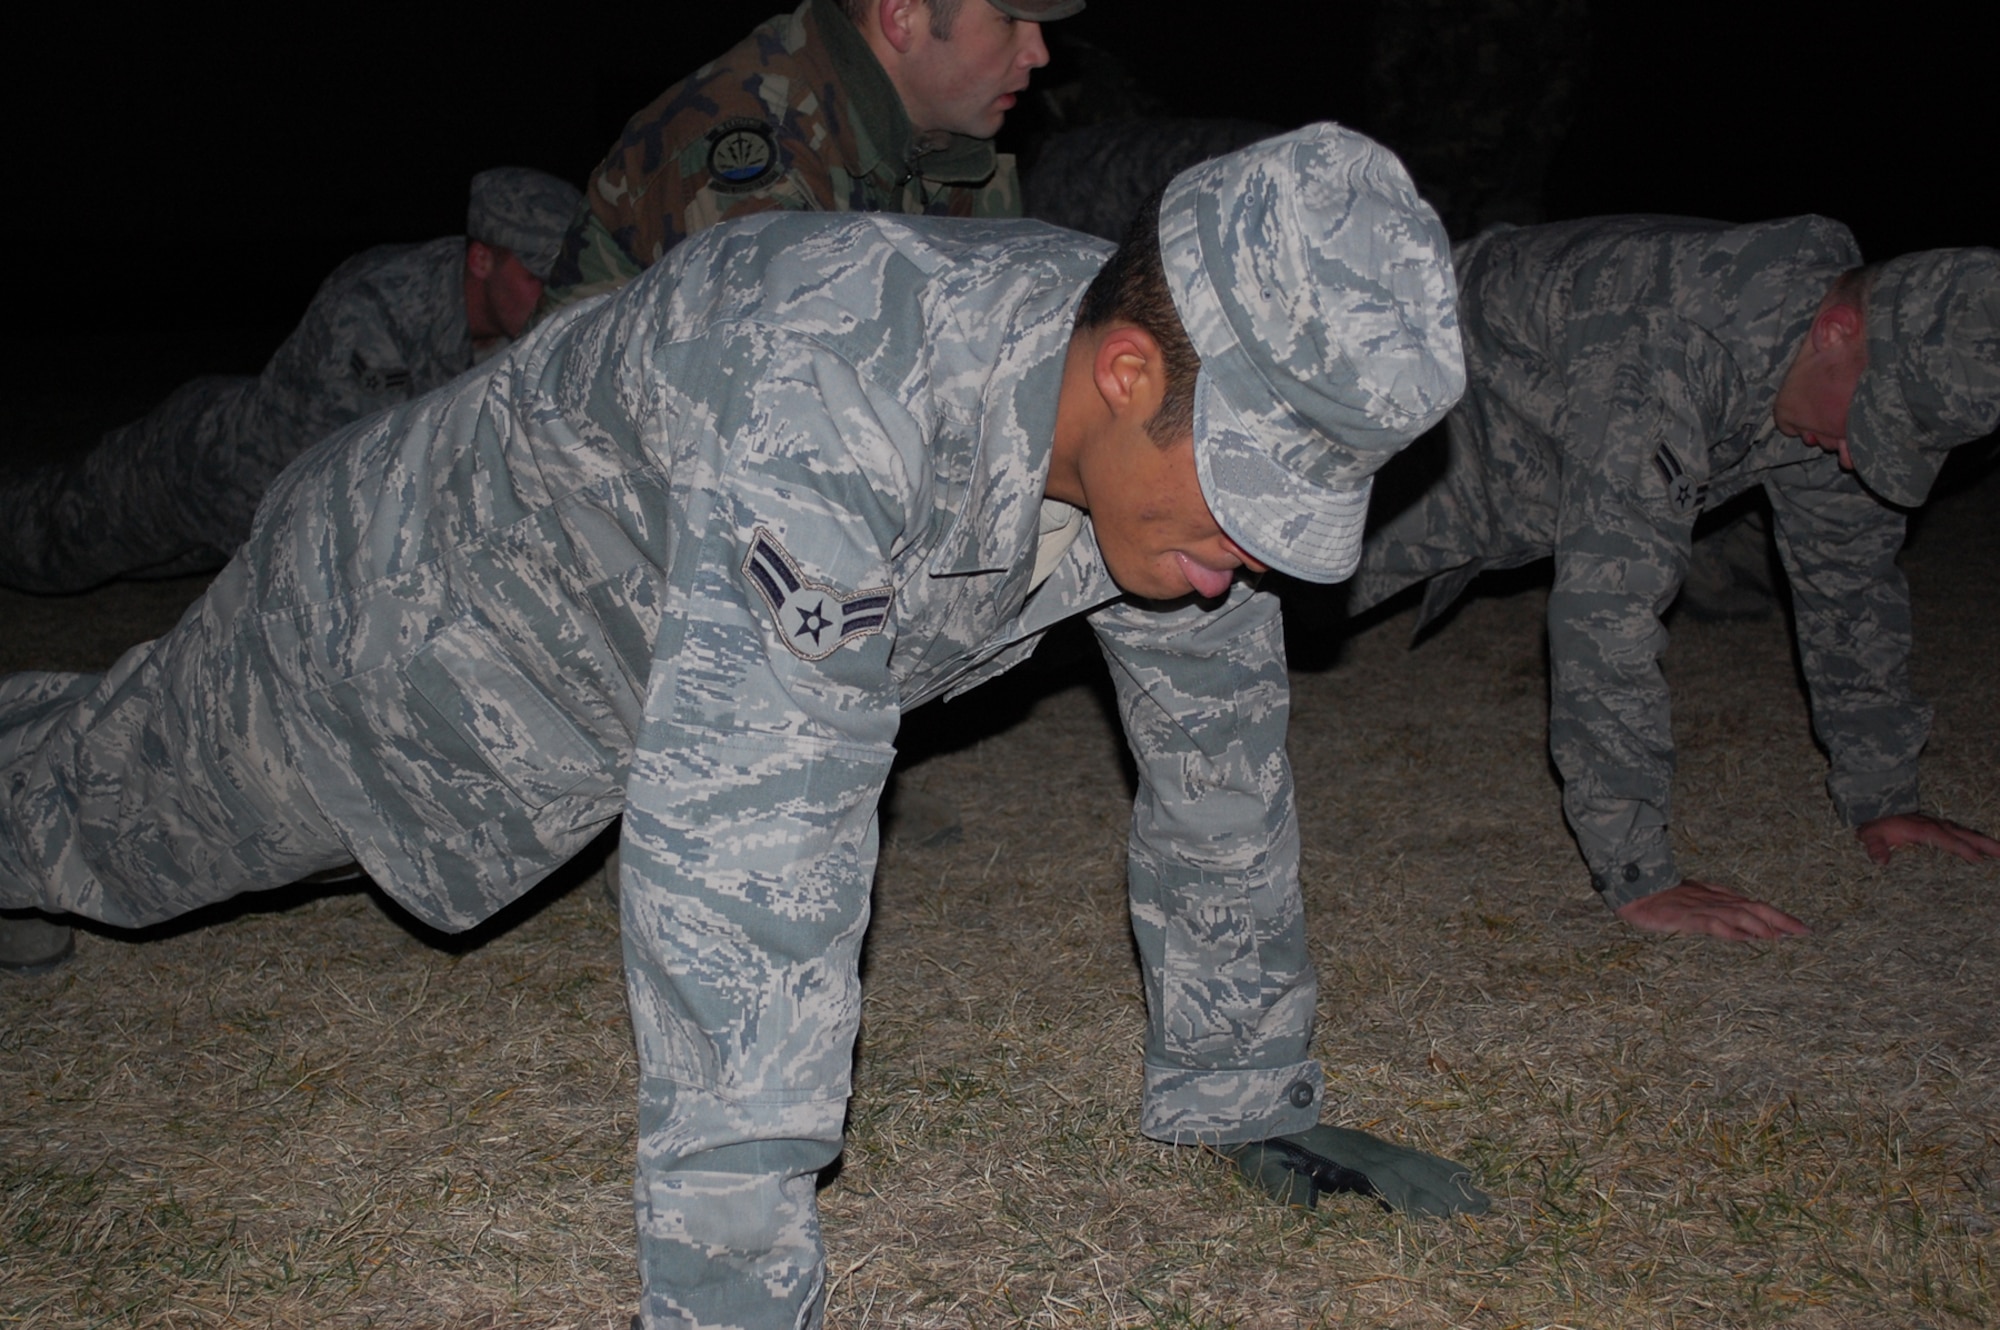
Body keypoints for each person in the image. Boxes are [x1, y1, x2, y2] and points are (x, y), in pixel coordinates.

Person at [0, 126, 1488, 1326]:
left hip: (600, 685)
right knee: (103, 822)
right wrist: (732, 1295)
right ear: (1126, 374)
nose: (1279, 556)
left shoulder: (1169, 442)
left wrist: (1246, 1095)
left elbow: (1221, 771)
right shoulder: (830, 390)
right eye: (1259, 500)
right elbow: (757, 851)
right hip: (393, 636)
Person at [1348, 215, 2000, 941]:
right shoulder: (1672, 344)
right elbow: (1609, 608)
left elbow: (1851, 581)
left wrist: (1884, 792)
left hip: (1528, 468)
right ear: (1837, 329)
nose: (1856, 458)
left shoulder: (1827, 380)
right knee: (1240, 597)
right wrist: (1639, 874)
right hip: (1408, 408)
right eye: (1872, 423)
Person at [0, 167, 582, 597]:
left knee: (136, 570)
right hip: (202, 472)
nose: (550, 298)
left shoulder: (528, 328)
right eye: (536, 277)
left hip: (254, 525)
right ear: (481, 260)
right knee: (38, 545)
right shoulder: (378, 302)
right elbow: (352, 486)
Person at [538, 0, 1079, 313]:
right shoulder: (747, 144)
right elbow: (779, 409)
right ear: (903, 15)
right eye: (1010, 19)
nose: (1039, 53)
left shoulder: (948, 146)